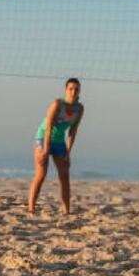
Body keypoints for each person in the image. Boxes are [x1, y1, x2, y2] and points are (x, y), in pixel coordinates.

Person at [27, 78, 84, 214]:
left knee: (65, 175)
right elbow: (48, 128)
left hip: (59, 141)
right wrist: (46, 150)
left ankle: (66, 211)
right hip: (43, 138)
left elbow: (73, 131)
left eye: (76, 89)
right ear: (66, 90)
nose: (73, 92)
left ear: (79, 92)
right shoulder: (57, 104)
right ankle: (31, 208)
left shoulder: (79, 109)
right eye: (70, 89)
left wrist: (67, 153)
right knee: (41, 174)